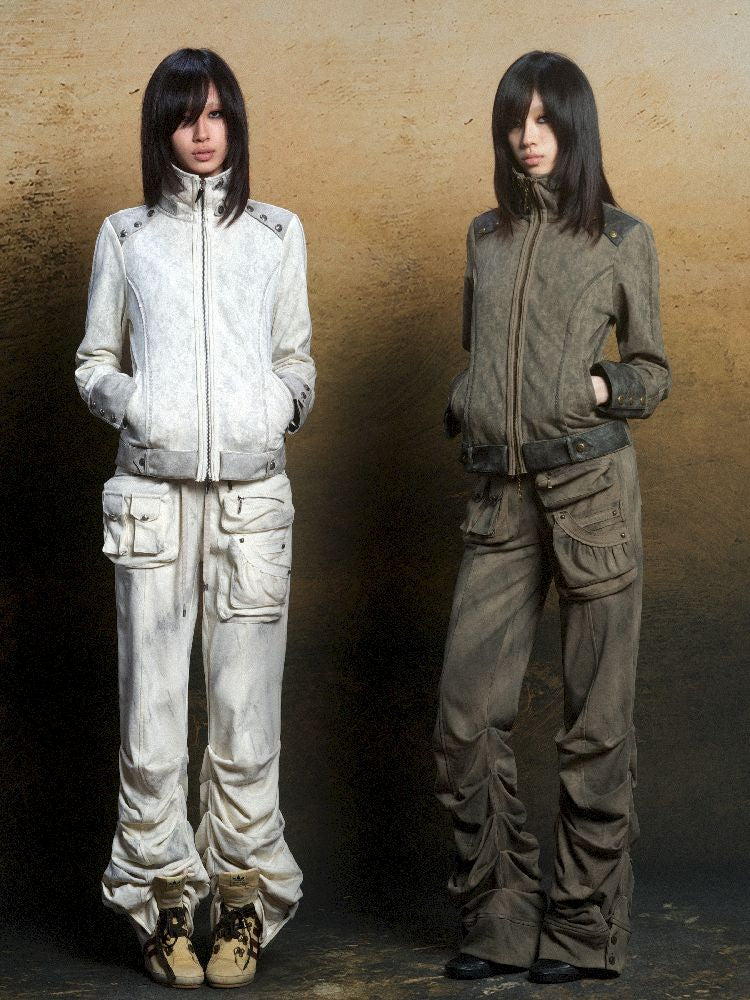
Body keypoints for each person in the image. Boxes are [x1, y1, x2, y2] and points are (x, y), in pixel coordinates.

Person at [75, 48, 315, 989]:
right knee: (152, 722)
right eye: (185, 116)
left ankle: (243, 905)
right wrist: (140, 407)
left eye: (216, 114)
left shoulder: (278, 234)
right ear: (162, 130)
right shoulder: (127, 236)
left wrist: (271, 409)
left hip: (252, 505)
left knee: (247, 724)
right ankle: (165, 904)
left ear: (235, 123)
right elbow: (94, 362)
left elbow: (297, 363)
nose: (203, 132)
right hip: (152, 502)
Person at [434, 51, 670, 985]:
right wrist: (469, 400)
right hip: (500, 499)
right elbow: (481, 353)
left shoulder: (621, 237)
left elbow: (651, 369)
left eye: (544, 119)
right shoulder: (485, 238)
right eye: (514, 120)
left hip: (592, 498)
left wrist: (598, 385)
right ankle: (500, 916)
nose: (527, 137)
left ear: (575, 128)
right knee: (465, 718)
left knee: (595, 724)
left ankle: (581, 930)